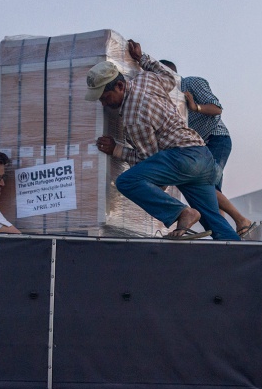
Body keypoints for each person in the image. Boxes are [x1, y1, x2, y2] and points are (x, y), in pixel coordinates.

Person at [86, 40, 239, 241]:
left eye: (105, 97)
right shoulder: (145, 79)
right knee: (216, 224)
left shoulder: (133, 116)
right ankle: (241, 255)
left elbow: (148, 158)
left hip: (181, 158)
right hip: (202, 158)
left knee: (128, 181)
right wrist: (142, 58)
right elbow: (170, 77)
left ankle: (182, 212)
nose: (104, 104)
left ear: (120, 86)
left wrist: (116, 149)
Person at [159, 60, 254, 237]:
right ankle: (222, 232)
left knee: (207, 187)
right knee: (208, 191)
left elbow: (217, 108)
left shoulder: (192, 83)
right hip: (196, 148)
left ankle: (241, 220)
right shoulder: (163, 97)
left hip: (215, 139)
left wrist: (196, 107)